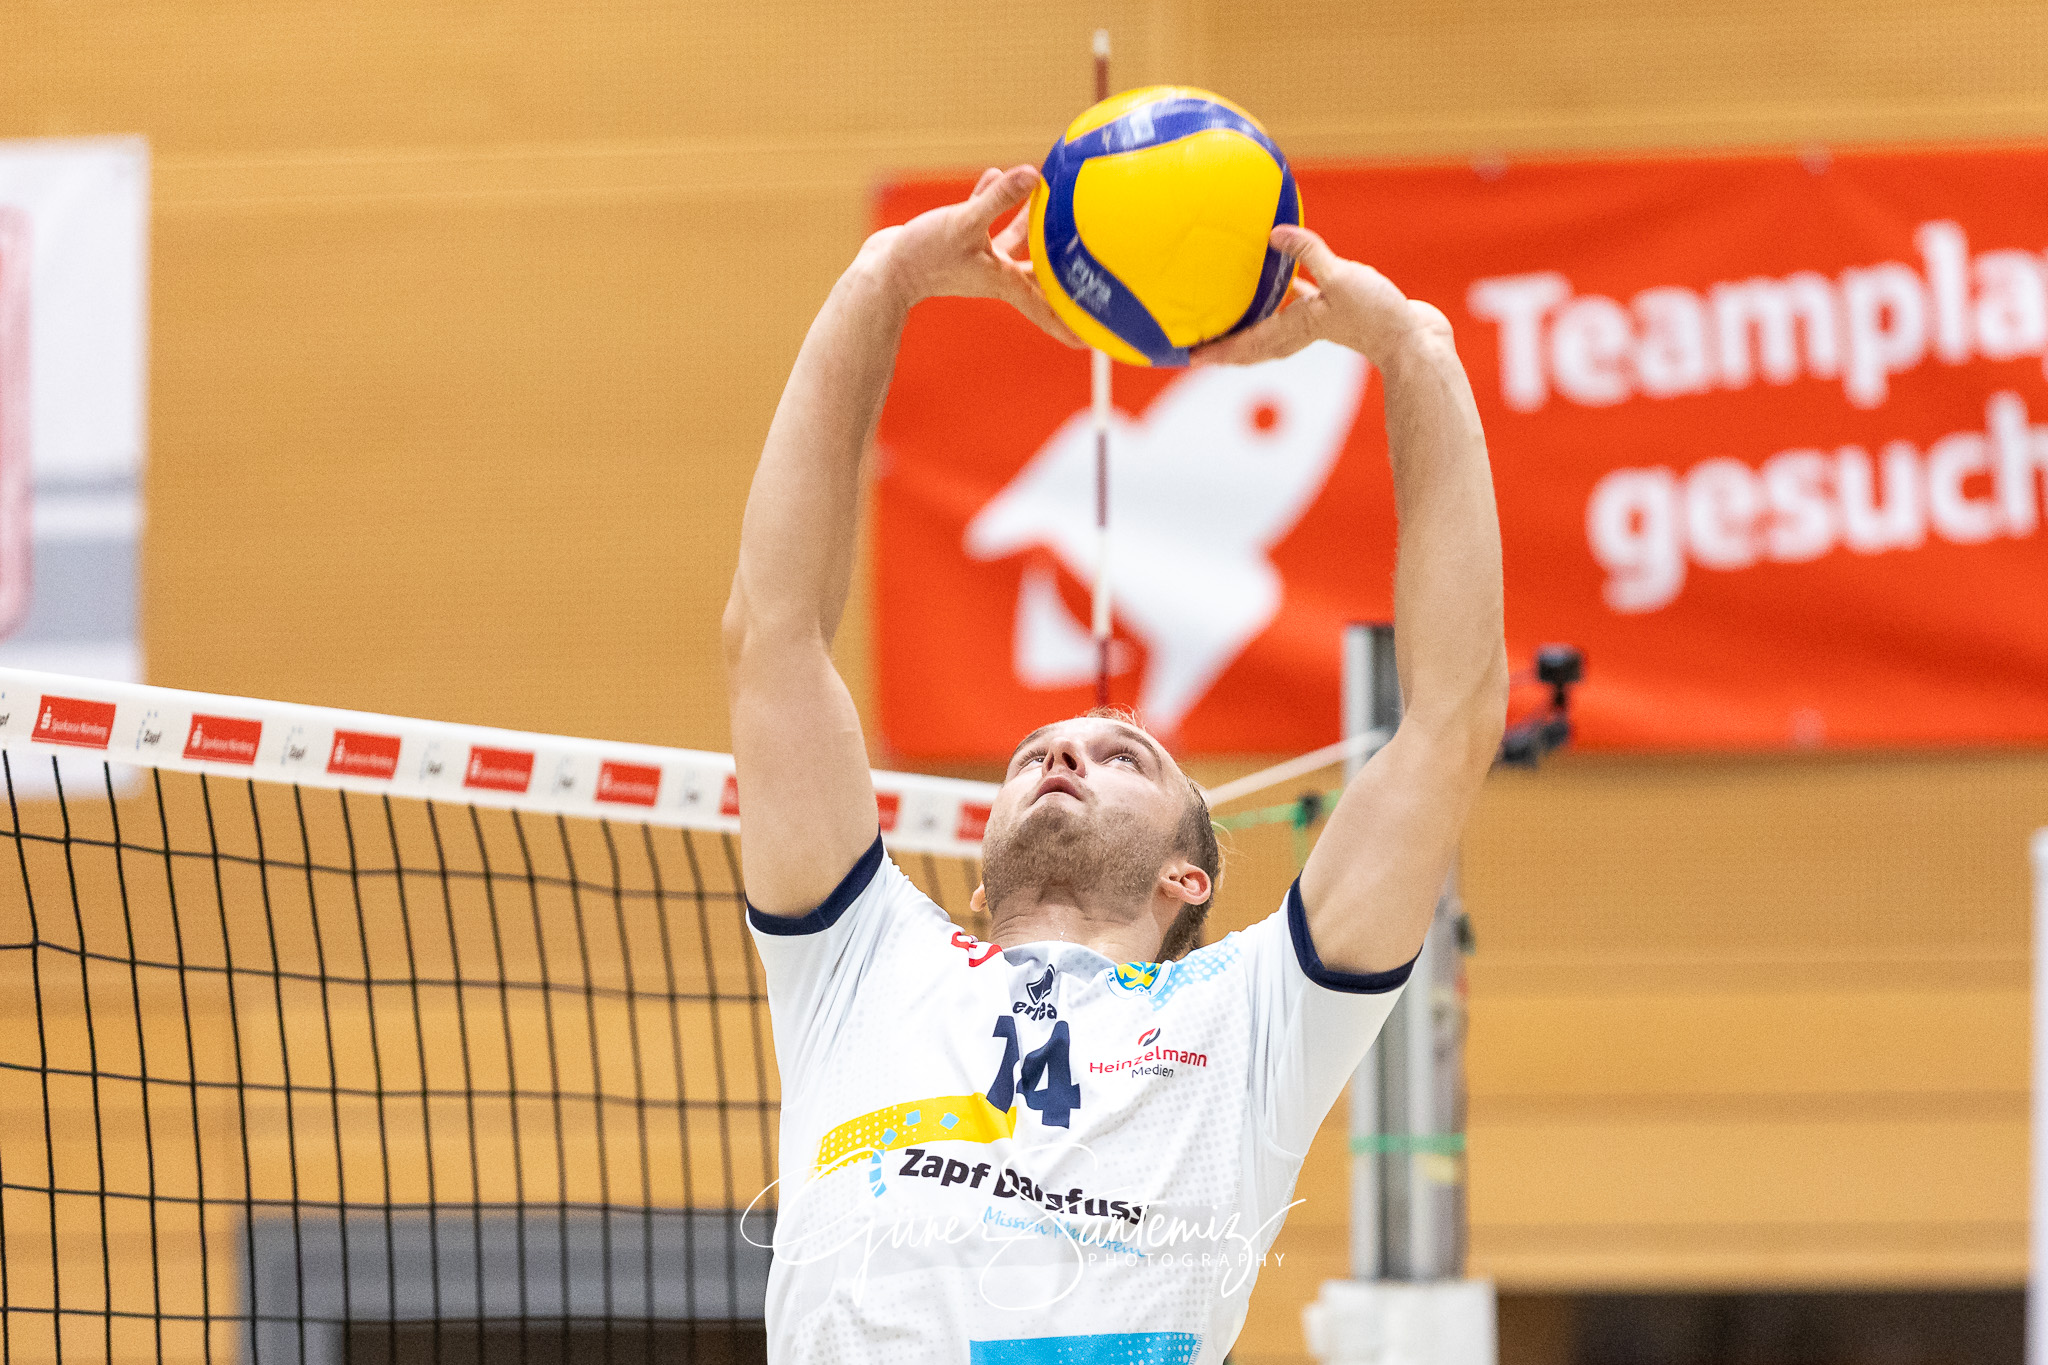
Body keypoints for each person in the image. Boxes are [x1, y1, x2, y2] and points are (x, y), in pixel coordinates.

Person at [723, 163, 1506, 1365]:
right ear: (975, 881)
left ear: (1185, 880)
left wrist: (1411, 347)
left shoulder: (1255, 1019)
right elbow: (771, 639)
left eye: (1121, 755)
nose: (1059, 752)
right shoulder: (862, 959)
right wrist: (882, 281)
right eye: (1037, 750)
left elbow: (1447, 719)